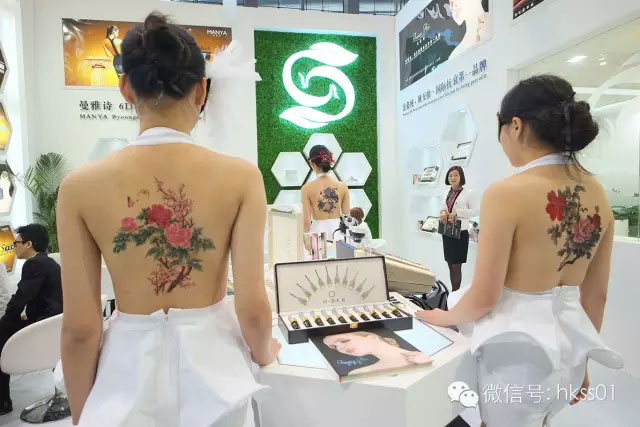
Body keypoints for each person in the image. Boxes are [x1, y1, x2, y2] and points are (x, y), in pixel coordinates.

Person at [58, 13, 279, 426]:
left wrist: (81, 415)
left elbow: (80, 330)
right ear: (201, 89)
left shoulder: (78, 187)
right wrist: (265, 353)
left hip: (126, 381)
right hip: (215, 376)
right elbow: (252, 307)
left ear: (126, 88)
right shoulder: (242, 178)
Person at [417, 75, 623, 427]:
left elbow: (485, 296)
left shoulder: (505, 193)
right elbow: (596, 295)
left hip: (517, 348)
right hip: (568, 346)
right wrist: (582, 359)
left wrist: (442, 317)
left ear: (515, 126)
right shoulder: (597, 193)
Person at [0, 224, 62, 414]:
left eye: (16, 243)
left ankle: (3, 401)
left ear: (28, 244)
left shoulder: (34, 264)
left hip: (46, 325)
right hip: (53, 320)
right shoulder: (46, 262)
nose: (14, 247)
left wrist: (5, 320)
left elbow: (21, 297)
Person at [323, 331, 431, 376]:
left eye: (344, 340)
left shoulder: (424, 357)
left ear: (371, 337)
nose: (340, 347)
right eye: (334, 347)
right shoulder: (359, 372)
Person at [301, 145, 350, 241]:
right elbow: (347, 218)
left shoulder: (306, 189)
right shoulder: (343, 186)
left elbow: (306, 224)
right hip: (338, 235)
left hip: (318, 238)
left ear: (311, 162)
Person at [440, 166, 477, 292]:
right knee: (450, 263)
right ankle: (453, 292)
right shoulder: (446, 192)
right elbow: (444, 207)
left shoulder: (469, 193)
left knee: (456, 265)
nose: (453, 178)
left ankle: (455, 293)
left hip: (460, 233)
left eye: (456, 175)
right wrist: (443, 212)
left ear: (461, 176)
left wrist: (458, 213)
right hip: (447, 231)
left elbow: (475, 211)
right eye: (450, 175)